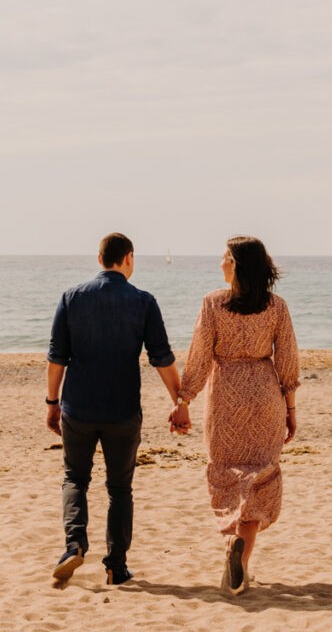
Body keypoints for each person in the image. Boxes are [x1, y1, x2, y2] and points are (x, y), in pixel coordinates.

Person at [46, 232, 181, 586]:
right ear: (129, 258)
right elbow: (161, 359)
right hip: (122, 411)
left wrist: (51, 402)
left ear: (100, 258)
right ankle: (116, 566)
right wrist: (179, 402)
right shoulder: (143, 301)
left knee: (75, 478)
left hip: (78, 408)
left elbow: (56, 357)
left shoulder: (72, 297)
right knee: (120, 489)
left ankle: (74, 544)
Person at [169, 236, 300, 595]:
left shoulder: (213, 304)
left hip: (226, 394)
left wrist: (184, 401)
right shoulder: (277, 307)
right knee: (261, 475)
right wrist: (290, 409)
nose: (220, 263)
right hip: (264, 394)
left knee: (227, 471)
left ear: (238, 265)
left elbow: (198, 357)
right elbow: (287, 360)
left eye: (225, 258)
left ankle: (234, 548)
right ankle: (240, 558)